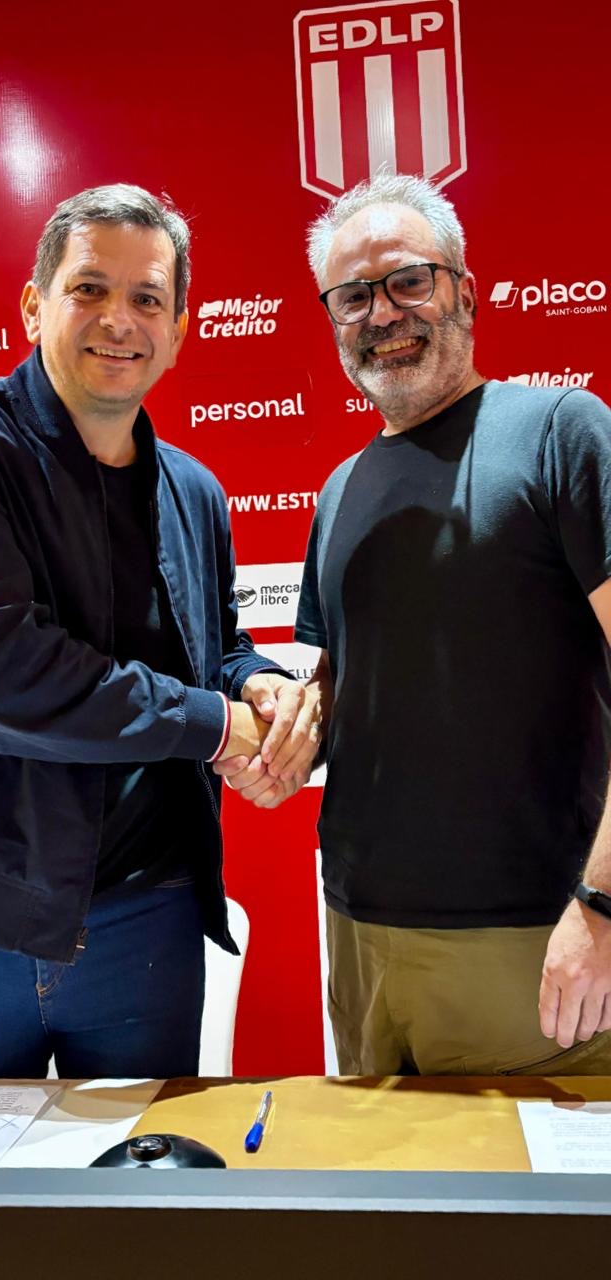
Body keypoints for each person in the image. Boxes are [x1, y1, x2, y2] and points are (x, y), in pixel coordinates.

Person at [0, 183, 319, 1079]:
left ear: (180, 330)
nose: (118, 320)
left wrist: (256, 688)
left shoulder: (194, 491)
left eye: (147, 299)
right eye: (89, 288)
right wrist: (218, 726)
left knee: (140, 1169)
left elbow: (210, 650)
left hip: (147, 915)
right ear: (33, 304)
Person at [217, 171, 611, 1076]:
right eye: (353, 296)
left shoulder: (561, 432)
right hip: (359, 934)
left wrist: (601, 905)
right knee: (380, 1174)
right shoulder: (339, 490)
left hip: (533, 941)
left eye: (407, 280)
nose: (383, 313)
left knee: (529, 1178)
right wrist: (283, 741)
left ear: (464, 292)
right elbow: (347, 693)